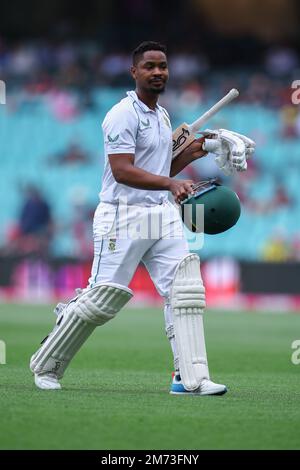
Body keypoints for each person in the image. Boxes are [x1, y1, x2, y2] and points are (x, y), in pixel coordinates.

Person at [30, 41, 251, 394]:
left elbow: (165, 167)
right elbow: (122, 171)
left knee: (185, 290)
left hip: (159, 214)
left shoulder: (162, 116)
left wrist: (203, 146)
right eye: (149, 66)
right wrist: (169, 183)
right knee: (102, 300)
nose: (158, 71)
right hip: (121, 214)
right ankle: (47, 364)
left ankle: (189, 377)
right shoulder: (122, 114)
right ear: (135, 72)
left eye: (162, 66)